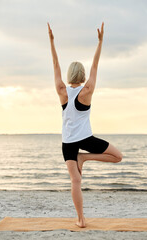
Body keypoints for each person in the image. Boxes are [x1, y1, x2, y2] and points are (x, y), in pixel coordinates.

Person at [47, 22, 123, 228]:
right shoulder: (87, 91)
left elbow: (55, 66)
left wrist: (52, 42)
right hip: (85, 139)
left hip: (68, 142)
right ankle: (86, 157)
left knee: (75, 182)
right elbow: (95, 66)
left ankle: (80, 220)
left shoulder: (61, 90)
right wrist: (100, 43)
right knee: (118, 157)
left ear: (70, 75)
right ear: (81, 75)